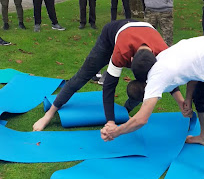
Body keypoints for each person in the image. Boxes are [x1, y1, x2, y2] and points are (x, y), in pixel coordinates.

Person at [101, 34, 204, 179]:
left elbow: (142, 119)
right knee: (200, 98)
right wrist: (188, 98)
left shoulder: (156, 78)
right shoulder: (162, 58)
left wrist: (115, 132)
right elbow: (194, 70)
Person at [32, 20, 168, 131]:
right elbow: (108, 86)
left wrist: (182, 103)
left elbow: (168, 80)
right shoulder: (122, 51)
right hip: (109, 39)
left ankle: (125, 110)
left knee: (144, 87)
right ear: (131, 60)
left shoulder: (164, 55)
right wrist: (110, 121)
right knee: (82, 76)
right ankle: (48, 114)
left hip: (139, 37)